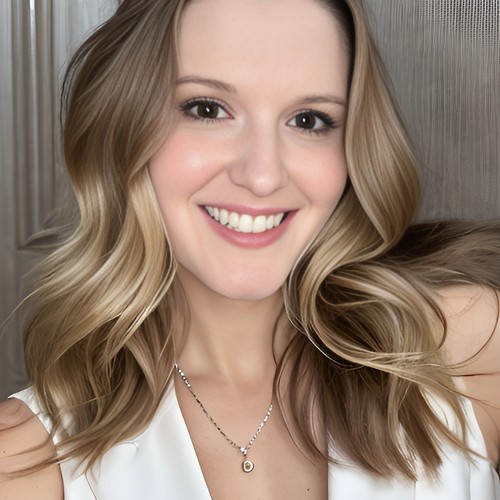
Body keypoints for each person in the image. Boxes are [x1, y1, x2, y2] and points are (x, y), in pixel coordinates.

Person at [0, 0, 499, 498]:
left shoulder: (464, 347)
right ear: (122, 127)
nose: (263, 176)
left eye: (308, 120)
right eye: (207, 109)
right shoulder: (26, 461)